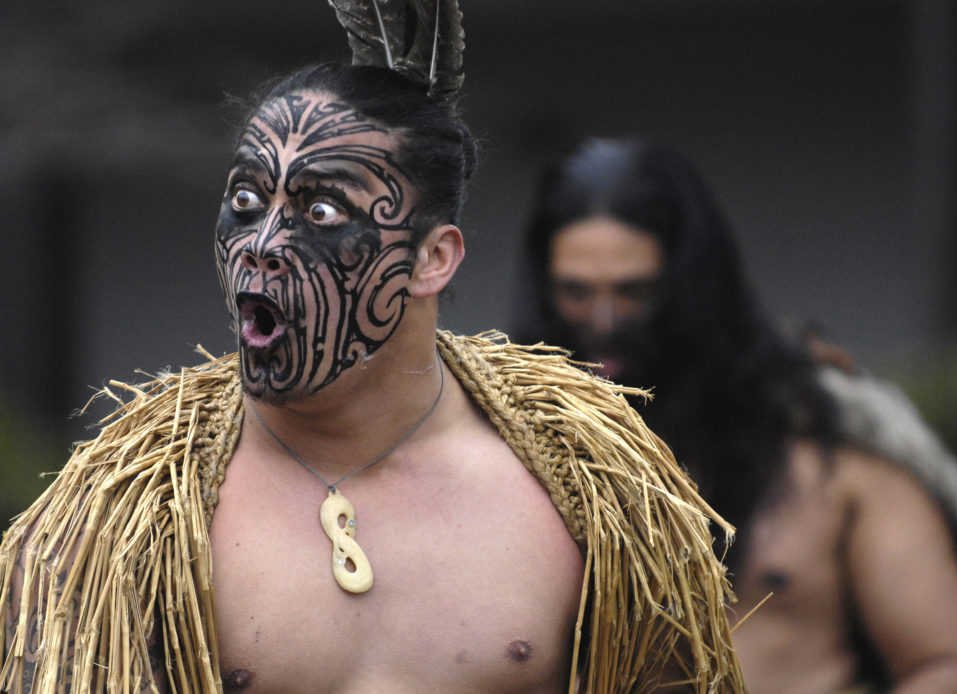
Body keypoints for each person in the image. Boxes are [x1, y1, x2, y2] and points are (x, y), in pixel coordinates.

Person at [0, 4, 745, 693]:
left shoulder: (588, 486)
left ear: (432, 260)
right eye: (246, 203)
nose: (261, 245)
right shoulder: (121, 515)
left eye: (321, 210)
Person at [514, 137, 957, 693]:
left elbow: (946, 666)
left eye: (635, 292)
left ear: (692, 288)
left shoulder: (825, 441)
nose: (603, 322)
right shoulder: (516, 457)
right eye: (576, 293)